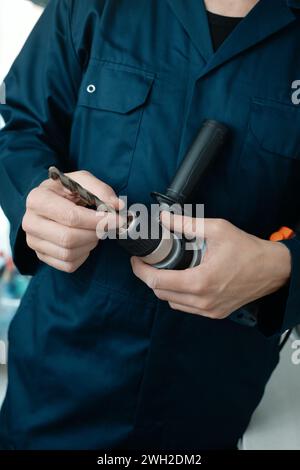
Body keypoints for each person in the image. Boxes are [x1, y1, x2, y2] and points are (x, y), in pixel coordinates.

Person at [0, 0, 299, 450]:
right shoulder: (90, 6)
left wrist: (282, 267)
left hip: (208, 403)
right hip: (57, 380)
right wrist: (33, 198)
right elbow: (22, 130)